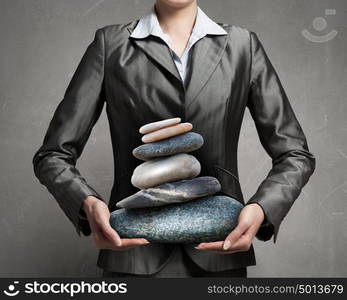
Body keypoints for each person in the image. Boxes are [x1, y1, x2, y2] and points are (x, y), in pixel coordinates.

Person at [32, 0, 316, 278]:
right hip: (134, 259)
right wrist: (88, 204)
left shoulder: (243, 46)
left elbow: (295, 154)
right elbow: (52, 155)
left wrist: (261, 209)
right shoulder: (111, 45)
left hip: (220, 255)